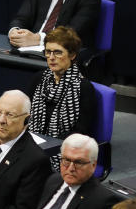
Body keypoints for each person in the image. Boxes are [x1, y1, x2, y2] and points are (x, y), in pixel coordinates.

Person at [26, 26, 96, 168]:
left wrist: (49, 146)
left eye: (58, 52)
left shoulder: (83, 87)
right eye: (48, 52)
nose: (51, 58)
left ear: (72, 55)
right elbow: (24, 116)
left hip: (63, 151)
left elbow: (81, 132)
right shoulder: (39, 79)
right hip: (33, 145)